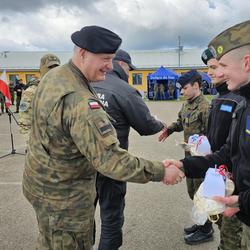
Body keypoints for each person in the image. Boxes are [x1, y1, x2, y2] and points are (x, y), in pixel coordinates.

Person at [22, 25, 184, 250]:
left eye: (113, 58)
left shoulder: (54, 76)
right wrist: (162, 170)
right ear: (82, 53)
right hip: (65, 202)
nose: (110, 66)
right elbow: (110, 160)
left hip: (41, 184)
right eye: (105, 58)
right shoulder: (82, 103)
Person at [165, 20, 250, 249]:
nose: (215, 73)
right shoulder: (246, 101)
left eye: (222, 65)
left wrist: (241, 200)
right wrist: (183, 165)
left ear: (247, 62)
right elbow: (228, 153)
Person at [92, 49, 165, 250]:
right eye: (129, 68)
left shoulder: (85, 82)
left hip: (81, 164)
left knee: (82, 215)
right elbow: (146, 125)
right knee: (111, 216)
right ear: (121, 64)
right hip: (112, 164)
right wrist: (159, 123)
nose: (130, 72)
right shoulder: (124, 89)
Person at [183, 48, 243, 248]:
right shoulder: (219, 99)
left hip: (231, 174)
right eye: (209, 68)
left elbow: (235, 145)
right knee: (221, 221)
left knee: (232, 231)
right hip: (217, 169)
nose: (209, 72)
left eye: (215, 67)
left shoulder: (239, 100)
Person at [159, 69, 210, 244]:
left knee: (202, 193)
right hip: (189, 156)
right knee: (192, 192)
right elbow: (181, 122)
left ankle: (206, 229)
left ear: (196, 85)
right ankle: (200, 222)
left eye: (185, 88)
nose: (181, 92)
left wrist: (201, 148)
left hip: (203, 159)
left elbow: (213, 136)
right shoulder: (187, 104)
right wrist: (170, 129)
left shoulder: (206, 107)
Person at [19, 54, 61, 143]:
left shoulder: (63, 89)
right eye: (50, 67)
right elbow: (25, 122)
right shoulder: (31, 92)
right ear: (42, 69)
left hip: (60, 145)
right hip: (40, 145)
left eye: (56, 67)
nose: (53, 70)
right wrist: (32, 146)